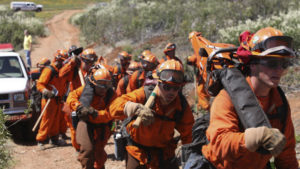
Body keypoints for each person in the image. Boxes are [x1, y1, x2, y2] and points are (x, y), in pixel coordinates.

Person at [201, 27, 298, 169]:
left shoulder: (279, 102)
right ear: (252, 64)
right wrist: (252, 138)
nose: (279, 70)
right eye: (271, 63)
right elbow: (219, 145)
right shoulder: (227, 98)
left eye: (284, 64)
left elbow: (286, 153)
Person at [109, 59, 194, 169]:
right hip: (137, 150)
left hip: (164, 153)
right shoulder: (144, 94)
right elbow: (113, 108)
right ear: (158, 83)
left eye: (175, 88)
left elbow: (189, 133)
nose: (171, 92)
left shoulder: (180, 105)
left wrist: (190, 156)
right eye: (167, 87)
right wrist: (134, 107)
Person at [66, 68, 116, 169]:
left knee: (99, 153)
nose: (103, 89)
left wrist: (96, 114)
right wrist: (79, 107)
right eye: (100, 85)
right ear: (93, 83)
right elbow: (71, 97)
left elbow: (111, 113)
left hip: (102, 124)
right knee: (87, 151)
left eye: (106, 86)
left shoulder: (111, 95)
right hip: (85, 122)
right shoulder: (85, 90)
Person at [59, 48, 98, 150]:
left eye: (92, 62)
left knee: (92, 126)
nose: (90, 64)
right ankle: (78, 148)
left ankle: (90, 146)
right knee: (75, 127)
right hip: (74, 103)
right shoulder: (75, 69)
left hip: (90, 102)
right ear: (82, 60)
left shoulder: (95, 71)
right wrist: (71, 63)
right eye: (87, 62)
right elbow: (61, 74)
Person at [36, 50, 68, 149]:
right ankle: (40, 140)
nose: (62, 63)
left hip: (58, 100)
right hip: (48, 100)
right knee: (47, 120)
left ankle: (54, 139)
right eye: (61, 61)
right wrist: (46, 91)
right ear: (56, 59)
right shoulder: (49, 70)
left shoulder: (62, 71)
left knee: (56, 120)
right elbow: (40, 84)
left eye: (63, 61)